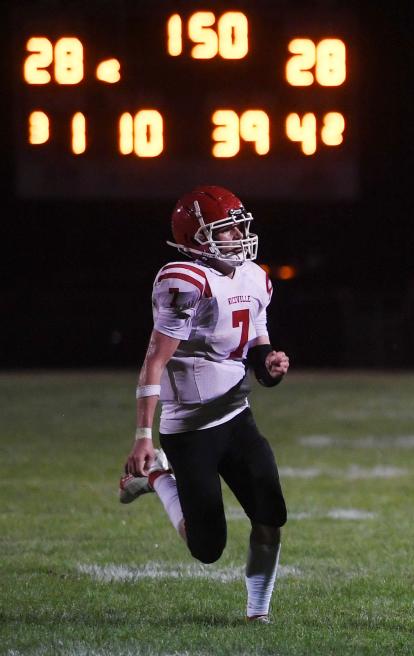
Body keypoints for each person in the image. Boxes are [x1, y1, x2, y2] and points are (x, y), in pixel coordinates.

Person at [119, 185, 290, 623]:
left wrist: (269, 364)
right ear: (197, 238)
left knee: (270, 512)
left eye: (237, 225)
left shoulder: (254, 276)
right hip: (190, 428)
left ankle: (258, 613)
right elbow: (154, 362)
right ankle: (157, 474)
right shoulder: (184, 281)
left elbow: (256, 345)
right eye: (226, 228)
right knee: (207, 547)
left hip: (236, 415)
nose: (237, 234)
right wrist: (142, 437)